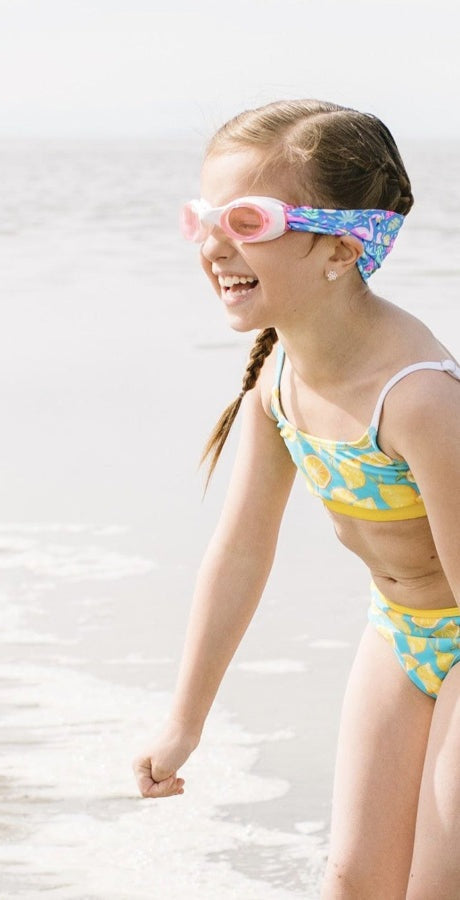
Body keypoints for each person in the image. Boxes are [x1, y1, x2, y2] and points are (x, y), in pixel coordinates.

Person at [132, 99, 460, 898]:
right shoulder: (276, 382)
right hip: (400, 634)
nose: (214, 245)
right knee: (352, 882)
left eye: (247, 221)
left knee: (437, 883)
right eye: (204, 218)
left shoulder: (419, 400)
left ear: (341, 248)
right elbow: (240, 554)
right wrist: (184, 722)